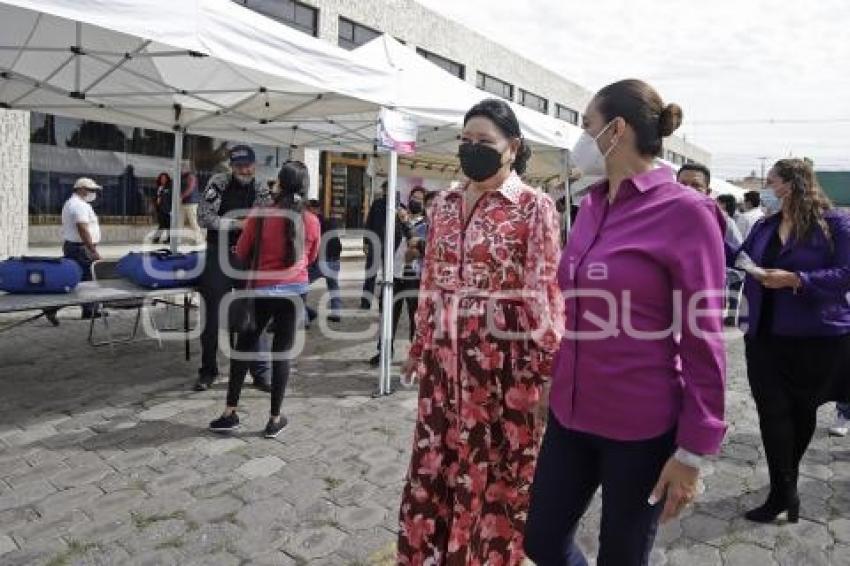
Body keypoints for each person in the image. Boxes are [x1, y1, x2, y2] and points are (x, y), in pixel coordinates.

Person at [524, 79, 727, 566]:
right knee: (540, 541)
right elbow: (578, 310)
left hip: (639, 427)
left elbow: (705, 338)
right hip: (571, 415)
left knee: (622, 557)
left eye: (586, 125)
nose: (581, 137)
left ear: (616, 131)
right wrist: (556, 380)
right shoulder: (592, 205)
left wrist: (693, 452)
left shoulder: (686, 211)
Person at [397, 99, 564, 565]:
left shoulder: (534, 206)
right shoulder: (446, 203)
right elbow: (431, 278)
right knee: (439, 456)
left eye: (484, 142)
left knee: (497, 465)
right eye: (465, 141)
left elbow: (543, 290)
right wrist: (418, 345)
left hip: (503, 362)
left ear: (513, 147)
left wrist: (549, 368)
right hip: (443, 361)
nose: (472, 149)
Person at [736, 158, 850, 523]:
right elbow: (741, 258)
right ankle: (782, 492)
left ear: (793, 183)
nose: (766, 189)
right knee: (773, 415)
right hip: (763, 335)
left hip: (816, 336)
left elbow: (846, 274)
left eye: (771, 182)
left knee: (801, 412)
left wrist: (797, 279)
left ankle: (785, 487)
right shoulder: (766, 225)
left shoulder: (834, 224)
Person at [209, 160, 320, 438]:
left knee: (243, 349)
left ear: (279, 184)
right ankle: (274, 419)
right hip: (295, 290)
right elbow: (313, 257)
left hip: (258, 290)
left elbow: (242, 253)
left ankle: (229, 413)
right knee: (282, 353)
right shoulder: (312, 220)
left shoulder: (259, 214)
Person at [195, 145, 272, 392]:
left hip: (245, 258)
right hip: (218, 255)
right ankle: (208, 371)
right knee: (212, 317)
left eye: (248, 165)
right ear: (231, 166)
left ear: (254, 164)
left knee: (252, 316)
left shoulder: (260, 186)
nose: (244, 170)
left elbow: (267, 216)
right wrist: (240, 224)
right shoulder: (218, 182)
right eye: (239, 165)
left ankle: (259, 372)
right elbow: (204, 217)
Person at [369, 186, 429, 367]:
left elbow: (417, 247)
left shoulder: (427, 224)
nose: (416, 202)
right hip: (393, 275)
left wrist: (406, 224)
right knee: (387, 315)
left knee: (415, 318)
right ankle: (384, 351)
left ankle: (415, 355)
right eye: (414, 197)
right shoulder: (395, 219)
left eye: (420, 199)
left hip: (414, 277)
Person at [61, 177, 105, 319]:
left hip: (75, 246)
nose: (94, 193)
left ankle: (89, 309)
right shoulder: (79, 205)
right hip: (81, 248)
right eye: (91, 190)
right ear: (81, 189)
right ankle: (90, 310)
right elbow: (82, 228)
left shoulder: (72, 203)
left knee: (74, 279)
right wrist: (92, 250)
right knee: (88, 279)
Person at [305, 199, 342, 324]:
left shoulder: (311, 223)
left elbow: (313, 245)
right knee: (333, 286)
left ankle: (306, 316)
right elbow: (338, 244)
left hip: (321, 261)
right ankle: (336, 312)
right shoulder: (329, 223)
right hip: (334, 260)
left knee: (300, 286)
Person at [362, 182, 388, 310]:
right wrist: (365, 242)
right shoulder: (377, 204)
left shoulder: (398, 206)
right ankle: (367, 303)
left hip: (389, 245)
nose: (386, 191)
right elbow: (369, 222)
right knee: (372, 275)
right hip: (376, 243)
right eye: (385, 189)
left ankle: (382, 304)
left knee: (386, 276)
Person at [180, 167, 202, 245]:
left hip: (191, 203)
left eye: (182, 169)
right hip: (183, 203)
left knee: (193, 222)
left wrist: (181, 196)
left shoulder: (191, 177)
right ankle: (177, 240)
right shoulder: (182, 177)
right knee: (179, 222)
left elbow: (190, 188)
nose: (181, 170)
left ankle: (199, 239)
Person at [153, 172, 172, 244]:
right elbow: (156, 197)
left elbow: (171, 198)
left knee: (168, 225)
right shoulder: (158, 187)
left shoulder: (169, 188)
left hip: (167, 209)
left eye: (164, 178)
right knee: (162, 224)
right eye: (161, 178)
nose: (163, 180)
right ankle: (157, 239)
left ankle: (159, 239)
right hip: (160, 208)